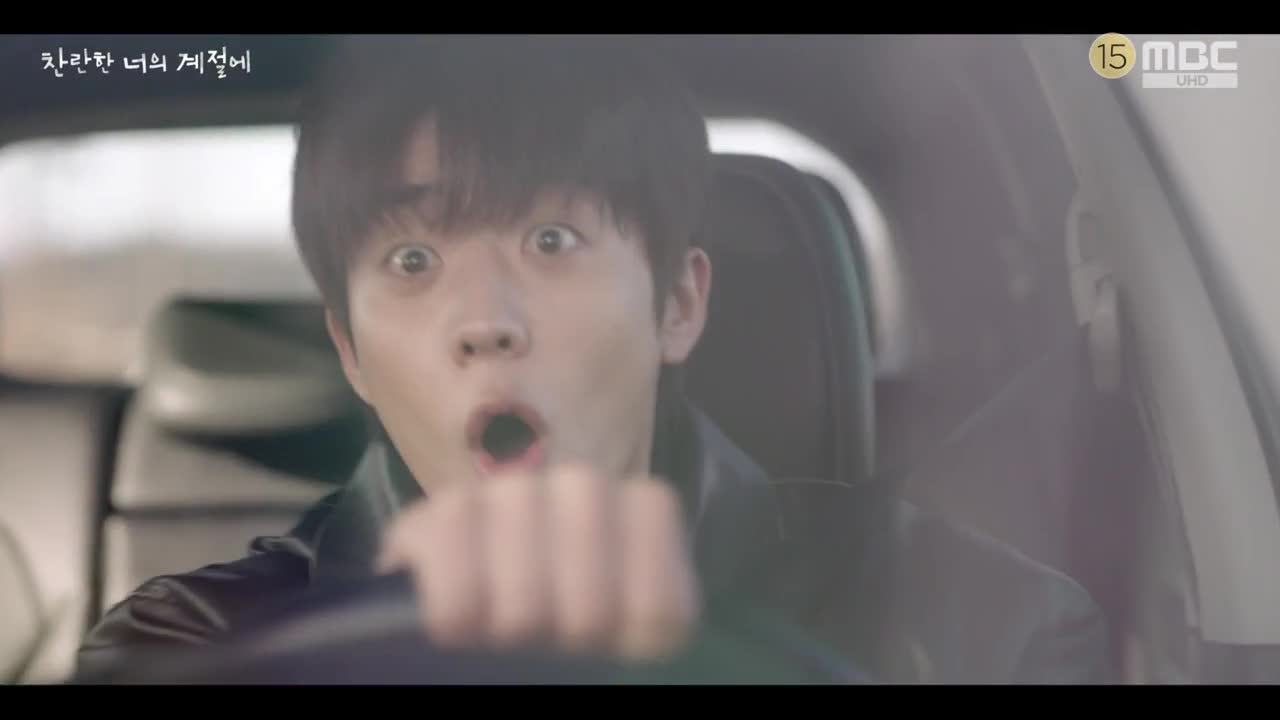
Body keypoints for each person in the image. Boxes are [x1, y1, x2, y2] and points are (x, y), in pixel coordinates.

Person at [75, 36, 1111, 683]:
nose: (485, 324)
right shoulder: (191, 646)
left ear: (677, 305)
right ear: (349, 351)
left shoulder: (967, 622)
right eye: (413, 260)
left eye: (550, 240)